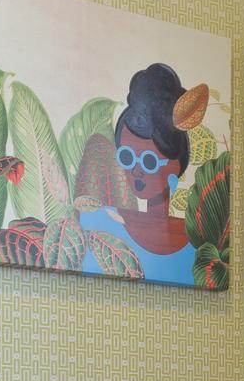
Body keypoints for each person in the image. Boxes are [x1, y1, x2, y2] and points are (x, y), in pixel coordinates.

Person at [80, 63, 197, 285]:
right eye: (126, 156)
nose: (135, 171)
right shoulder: (95, 221)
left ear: (175, 166)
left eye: (149, 161)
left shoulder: (198, 242)